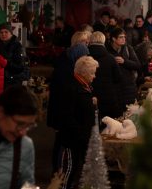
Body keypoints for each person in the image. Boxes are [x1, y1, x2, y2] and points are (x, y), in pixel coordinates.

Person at [47, 31, 90, 172]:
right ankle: (58, 171)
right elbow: (65, 86)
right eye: (85, 42)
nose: (87, 45)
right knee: (62, 141)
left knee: (61, 140)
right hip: (62, 106)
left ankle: (59, 170)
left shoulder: (65, 59)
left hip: (60, 105)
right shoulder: (70, 62)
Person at [57, 56, 99, 189]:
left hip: (81, 137)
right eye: (92, 73)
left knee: (76, 170)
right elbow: (67, 116)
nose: (94, 76)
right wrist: (81, 134)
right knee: (70, 170)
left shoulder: (84, 86)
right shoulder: (72, 88)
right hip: (72, 139)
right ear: (85, 73)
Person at [88, 31, 124, 119]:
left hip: (90, 96)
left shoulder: (85, 57)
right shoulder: (110, 58)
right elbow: (118, 78)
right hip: (108, 98)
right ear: (103, 41)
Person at [107, 27, 140, 106]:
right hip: (114, 88)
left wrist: (124, 61)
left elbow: (137, 65)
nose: (124, 39)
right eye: (121, 37)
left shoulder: (128, 48)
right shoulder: (107, 50)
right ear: (114, 39)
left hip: (129, 87)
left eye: (124, 37)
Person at [0, 23, 27, 88]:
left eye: (6, 32)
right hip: (0, 80)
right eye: (1, 32)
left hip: (14, 80)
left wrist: (6, 63)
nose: (3, 34)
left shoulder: (17, 47)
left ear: (11, 33)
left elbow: (20, 66)